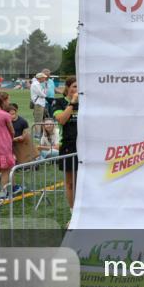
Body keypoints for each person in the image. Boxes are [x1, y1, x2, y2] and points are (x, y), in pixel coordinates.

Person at [56, 79, 79, 208]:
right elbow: (62, 120)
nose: (77, 89)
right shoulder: (59, 102)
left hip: (86, 146)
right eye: (74, 86)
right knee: (70, 183)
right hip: (68, 146)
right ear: (68, 88)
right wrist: (72, 103)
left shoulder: (86, 103)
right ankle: (72, 213)